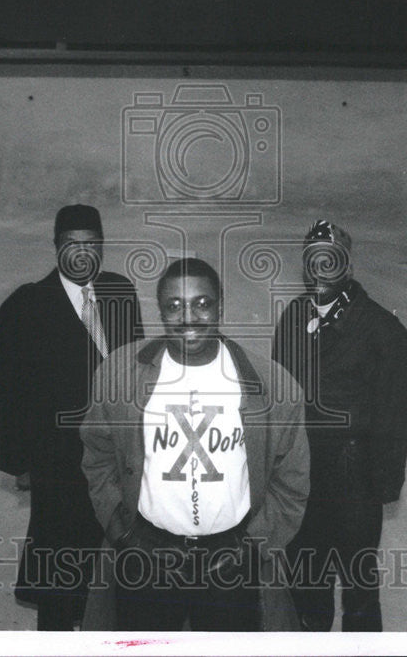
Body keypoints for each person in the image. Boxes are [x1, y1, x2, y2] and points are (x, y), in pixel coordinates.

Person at [80, 258, 309, 631]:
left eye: (202, 303)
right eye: (174, 306)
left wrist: (251, 549)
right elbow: (97, 455)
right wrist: (123, 534)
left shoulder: (270, 384)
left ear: (221, 306)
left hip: (231, 560)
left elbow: (293, 480)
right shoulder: (120, 375)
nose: (188, 317)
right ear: (160, 311)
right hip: (146, 555)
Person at [0, 204, 142, 630]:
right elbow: (7, 390)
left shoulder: (120, 293)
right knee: (60, 563)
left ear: (103, 248)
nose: (82, 255)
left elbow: (138, 366)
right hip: (58, 459)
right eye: (72, 245)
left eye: (92, 245)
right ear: (56, 247)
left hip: (114, 456)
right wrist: (19, 463)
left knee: (110, 557)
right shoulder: (26, 306)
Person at [272, 219, 407, 632]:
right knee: (304, 579)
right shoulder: (295, 315)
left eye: (330, 262)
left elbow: (394, 414)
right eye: (312, 262)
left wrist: (385, 483)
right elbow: (280, 394)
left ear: (347, 268)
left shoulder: (381, 330)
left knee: (358, 586)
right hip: (302, 473)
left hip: (354, 478)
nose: (320, 272)